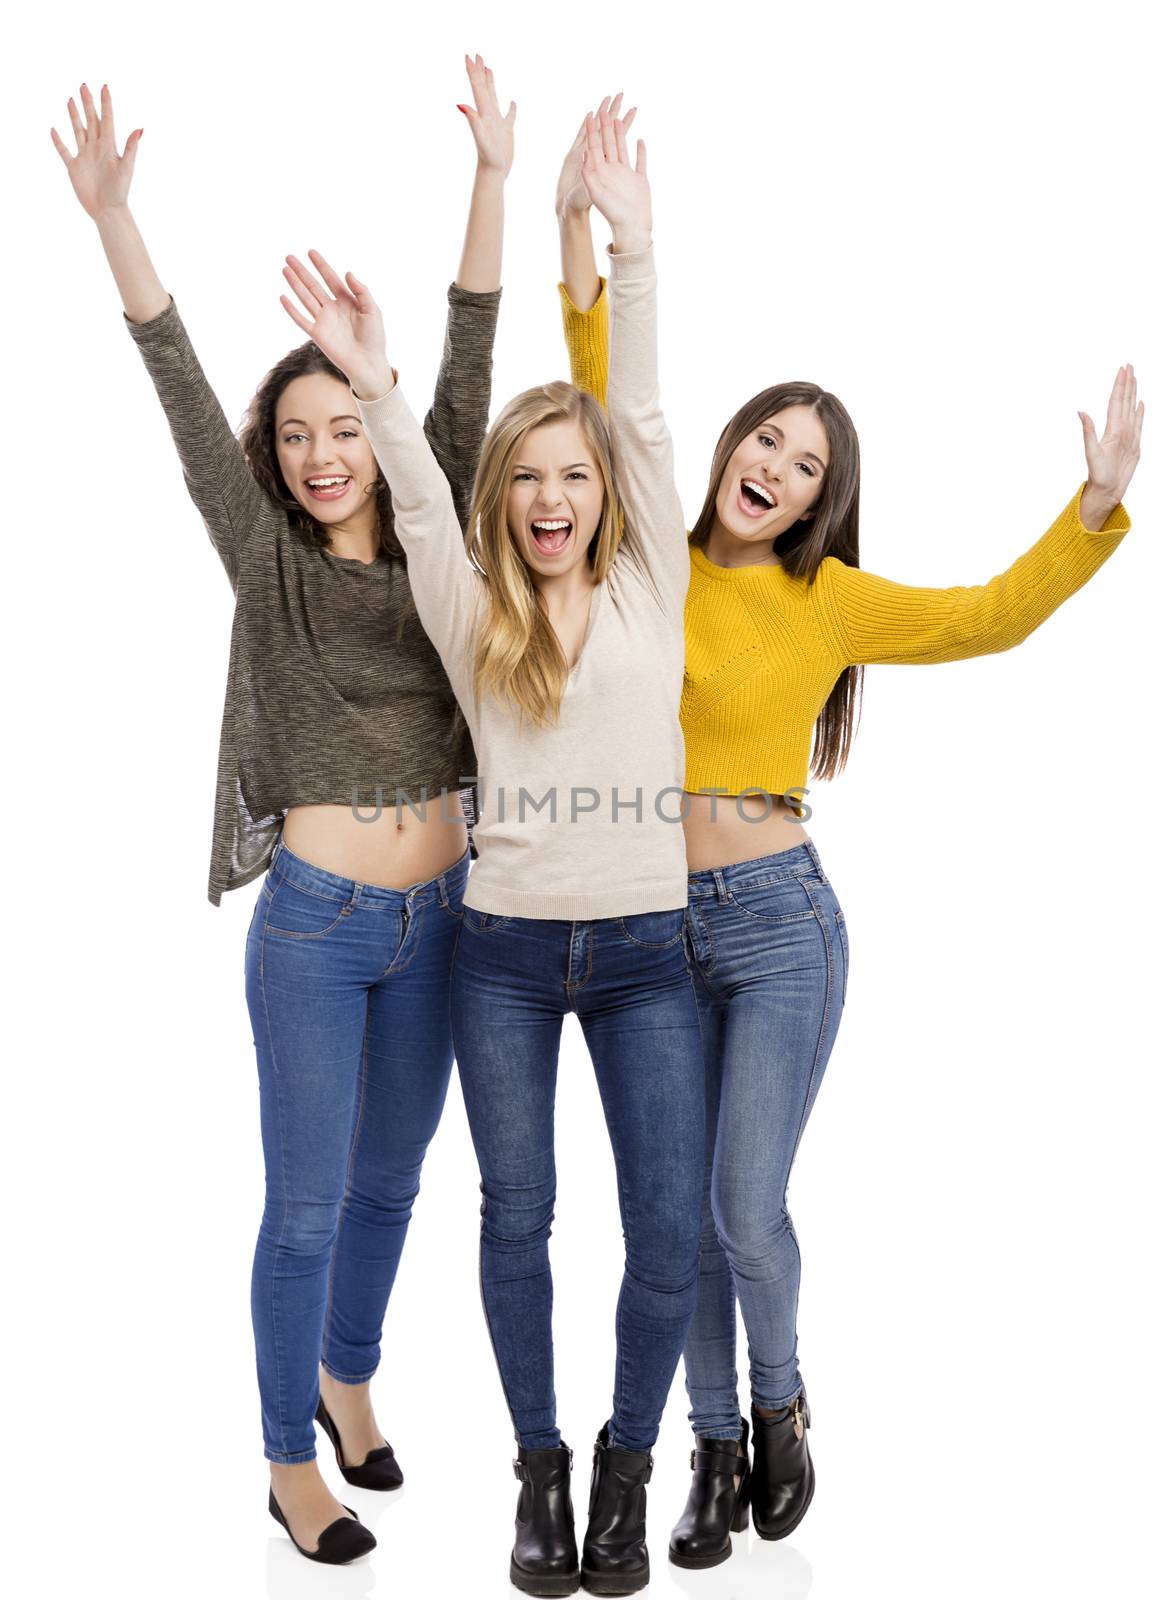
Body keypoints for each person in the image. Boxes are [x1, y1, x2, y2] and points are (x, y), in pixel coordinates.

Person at [556, 125, 1141, 1568]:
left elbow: (989, 616)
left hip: (776, 923)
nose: (776, 468)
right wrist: (582, 227)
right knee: (675, 1222)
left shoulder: (829, 601)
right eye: (766, 440)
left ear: (822, 499)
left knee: (744, 1206)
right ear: (734, 448)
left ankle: (780, 1404)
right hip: (645, 918)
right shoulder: (645, 554)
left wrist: (1097, 508)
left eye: (806, 466)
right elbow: (596, 389)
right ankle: (704, 1452)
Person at [52, 58, 515, 1564]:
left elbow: (469, 353)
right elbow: (174, 372)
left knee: (396, 1182)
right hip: (318, 927)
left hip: (447, 914)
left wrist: (492, 179)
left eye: (339, 428)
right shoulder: (265, 555)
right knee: (307, 1202)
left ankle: (348, 1376)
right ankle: (282, 1461)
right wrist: (118, 223)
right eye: (295, 435)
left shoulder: (442, 503)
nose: (320, 456)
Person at [279, 105, 707, 1598]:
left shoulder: (656, 585)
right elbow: (409, 487)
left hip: (655, 951)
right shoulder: (472, 617)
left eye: (571, 479)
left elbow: (641, 415)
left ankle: (625, 1467)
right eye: (526, 477)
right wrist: (380, 385)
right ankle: (538, 1468)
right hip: (504, 955)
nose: (549, 499)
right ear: (504, 497)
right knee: (514, 1216)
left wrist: (629, 246)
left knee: (664, 1231)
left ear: (605, 500)